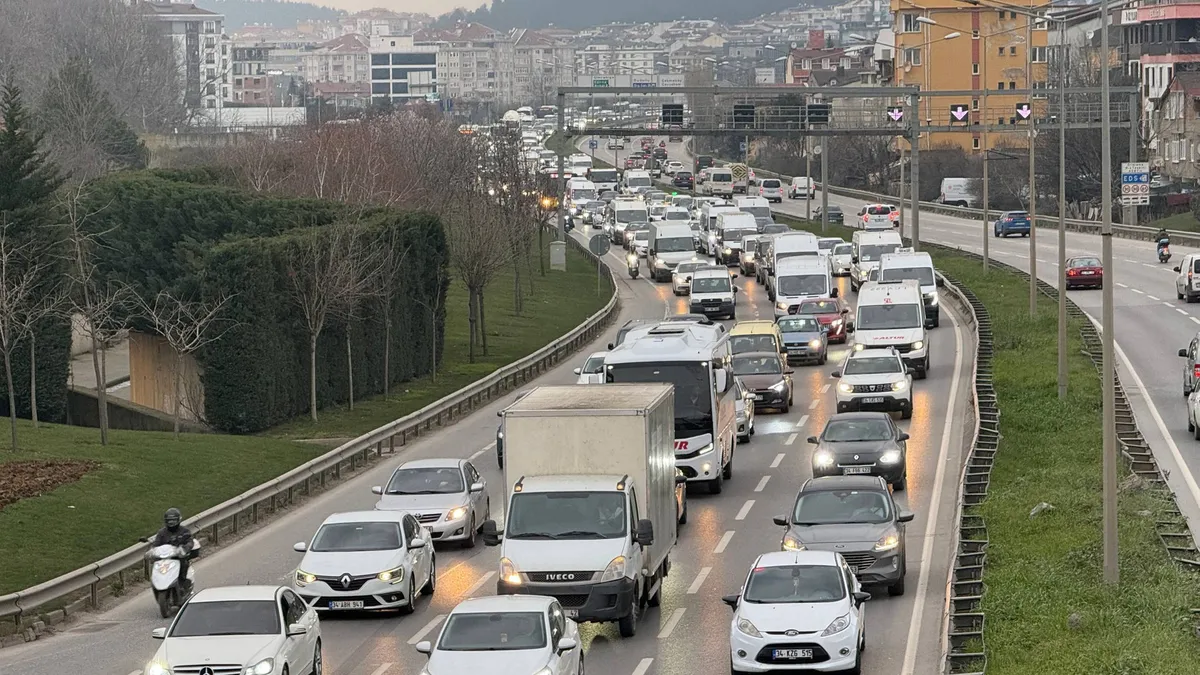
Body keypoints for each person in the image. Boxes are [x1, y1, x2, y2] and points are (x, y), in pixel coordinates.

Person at [152, 508, 195, 592]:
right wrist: (152, 552)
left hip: (178, 557)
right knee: (155, 565)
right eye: (169, 521)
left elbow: (189, 541)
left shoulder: (184, 531)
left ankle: (182, 584)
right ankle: (157, 583)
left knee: (184, 563)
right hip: (165, 558)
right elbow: (156, 544)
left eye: (173, 521)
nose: (171, 523)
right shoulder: (162, 533)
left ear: (178, 520)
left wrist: (185, 549)